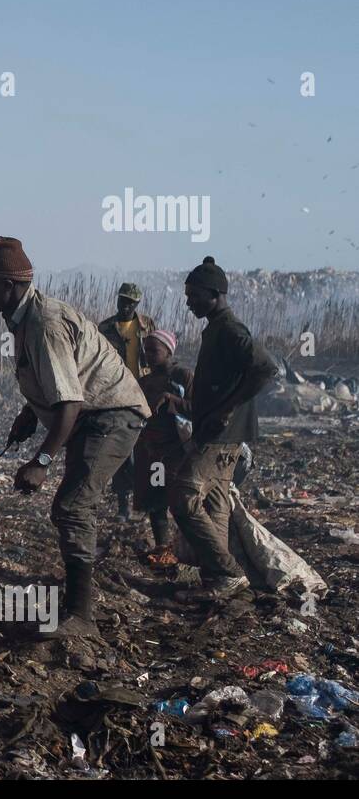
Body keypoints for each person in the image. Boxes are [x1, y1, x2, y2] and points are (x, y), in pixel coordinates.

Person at [0, 237, 150, 636]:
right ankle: (78, 595)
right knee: (71, 507)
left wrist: (41, 462)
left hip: (110, 415)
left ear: (10, 284)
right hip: (93, 415)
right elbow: (57, 381)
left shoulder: (43, 323)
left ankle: (81, 617)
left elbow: (69, 403)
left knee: (72, 506)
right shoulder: (25, 319)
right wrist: (28, 415)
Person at [168, 256, 278, 602]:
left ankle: (224, 571)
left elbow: (265, 366)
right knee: (215, 503)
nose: (188, 302)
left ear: (214, 293)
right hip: (221, 434)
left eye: (193, 295)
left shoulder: (230, 329)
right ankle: (218, 580)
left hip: (221, 435)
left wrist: (228, 409)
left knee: (183, 494)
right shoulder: (217, 327)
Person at [131, 330, 193, 555]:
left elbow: (198, 409)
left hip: (176, 451)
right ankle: (163, 548)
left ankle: (188, 550)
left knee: (181, 502)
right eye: (146, 350)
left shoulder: (182, 377)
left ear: (168, 351)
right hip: (151, 452)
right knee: (156, 501)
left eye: (154, 350)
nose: (148, 355)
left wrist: (172, 400)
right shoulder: (144, 382)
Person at [99, 283, 156, 521]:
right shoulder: (105, 328)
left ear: (137, 304)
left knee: (145, 450)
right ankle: (123, 505)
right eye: (122, 301)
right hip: (118, 393)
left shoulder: (147, 326)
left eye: (130, 303)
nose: (125, 306)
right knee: (121, 449)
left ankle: (144, 504)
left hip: (144, 391)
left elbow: (157, 353)